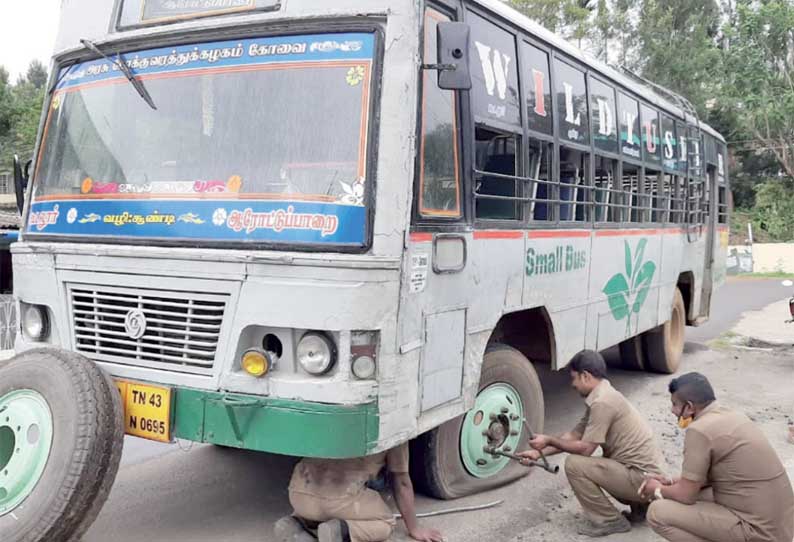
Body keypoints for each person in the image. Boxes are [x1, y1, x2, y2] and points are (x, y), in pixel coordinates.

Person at [516, 350, 667, 537]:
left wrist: (548, 439)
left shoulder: (603, 402)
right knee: (609, 461)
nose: (572, 385)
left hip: (644, 480)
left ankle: (610, 521)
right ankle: (640, 510)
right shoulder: (603, 395)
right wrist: (538, 453)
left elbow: (586, 449)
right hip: (645, 475)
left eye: (574, 379)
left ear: (585, 376)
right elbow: (573, 435)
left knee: (574, 464)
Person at [642, 372, 794, 542]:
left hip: (758, 531)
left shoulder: (699, 430)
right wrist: (669, 481)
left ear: (690, 407)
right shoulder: (732, 415)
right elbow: (705, 479)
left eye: (675, 404)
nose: (672, 410)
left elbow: (686, 495)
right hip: (782, 526)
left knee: (658, 512)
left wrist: (656, 489)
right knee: (701, 492)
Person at [274, 442, 444, 542]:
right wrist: (414, 528)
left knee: (316, 506)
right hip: (339, 498)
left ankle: (296, 522)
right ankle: (338, 531)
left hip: (298, 490)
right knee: (385, 523)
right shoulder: (394, 426)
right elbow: (401, 482)